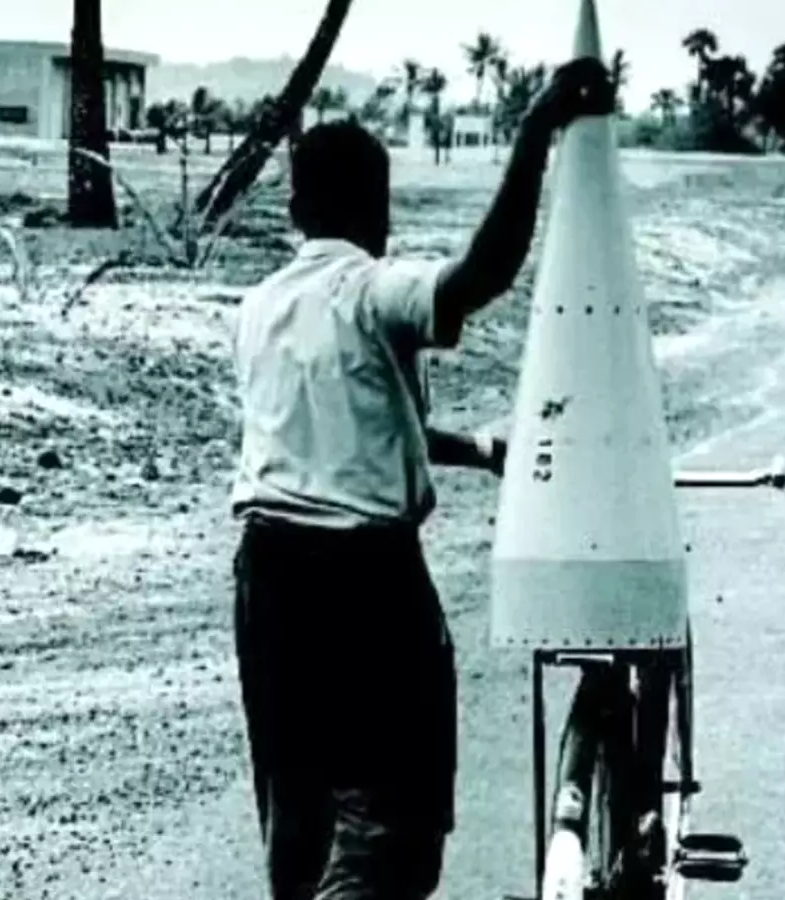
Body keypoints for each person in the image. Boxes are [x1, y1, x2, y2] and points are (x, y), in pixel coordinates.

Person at [228, 57, 616, 900]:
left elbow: (350, 432)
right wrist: (535, 132)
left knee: (298, 804)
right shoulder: (373, 289)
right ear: (380, 208)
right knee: (392, 816)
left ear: (296, 210)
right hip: (362, 579)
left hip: (266, 574)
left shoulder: (259, 308)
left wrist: (477, 448)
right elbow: (483, 274)